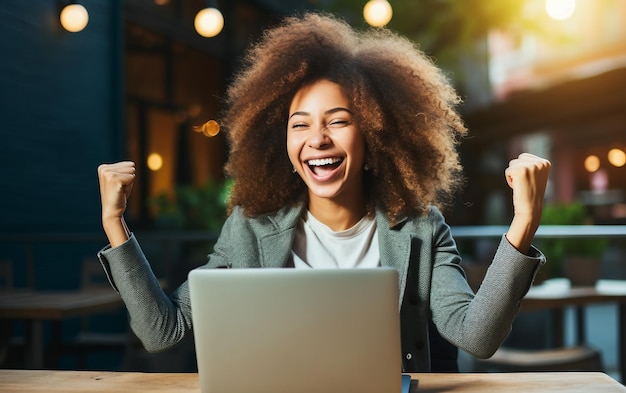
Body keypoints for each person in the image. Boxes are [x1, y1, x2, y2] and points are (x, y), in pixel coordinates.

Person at [97, 13, 551, 372]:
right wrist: (115, 225)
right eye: (301, 125)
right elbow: (163, 333)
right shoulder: (250, 228)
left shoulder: (421, 227)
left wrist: (523, 225)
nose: (317, 139)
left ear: (373, 135)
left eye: (338, 120)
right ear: (285, 148)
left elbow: (477, 336)